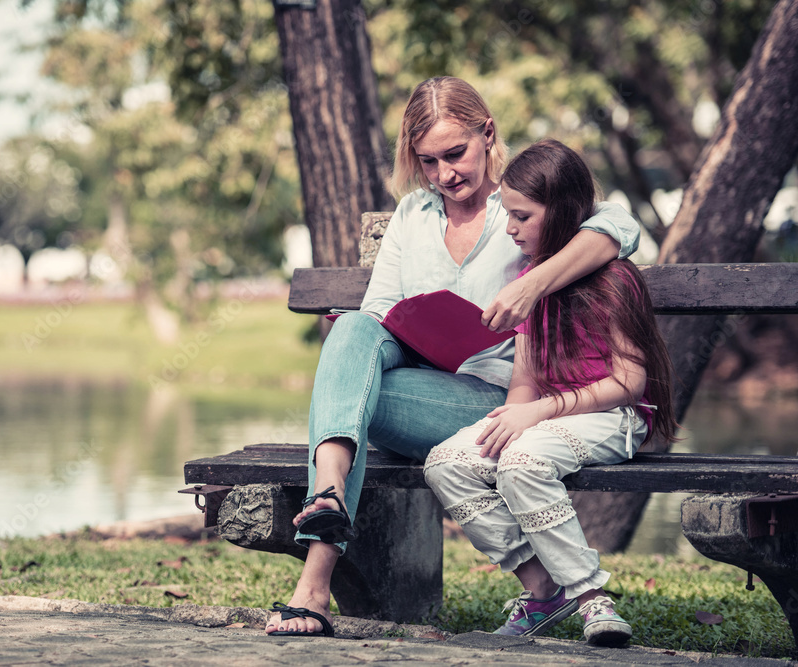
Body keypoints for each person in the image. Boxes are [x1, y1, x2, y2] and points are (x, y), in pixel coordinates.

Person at [265, 77, 641, 637]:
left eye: (455, 153)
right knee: (351, 336)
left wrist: (530, 285)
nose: (445, 174)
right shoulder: (412, 215)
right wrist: (386, 331)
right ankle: (327, 501)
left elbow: (620, 226)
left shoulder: (520, 204)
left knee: (346, 399)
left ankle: (314, 586)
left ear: (487, 133)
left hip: (501, 402)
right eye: (428, 162)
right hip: (419, 390)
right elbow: (381, 315)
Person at [423, 138, 678, 646]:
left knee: (522, 463)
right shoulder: (527, 279)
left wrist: (536, 415)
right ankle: (541, 590)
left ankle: (590, 599)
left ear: (559, 213)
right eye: (507, 215)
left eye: (521, 216)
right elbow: (524, 378)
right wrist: (509, 422)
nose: (510, 228)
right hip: (549, 416)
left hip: (616, 413)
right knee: (447, 462)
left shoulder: (612, 278)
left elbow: (630, 383)